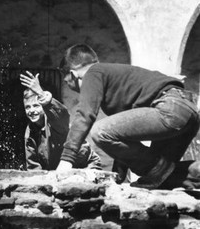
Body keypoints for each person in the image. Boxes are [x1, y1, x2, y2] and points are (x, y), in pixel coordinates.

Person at [55, 43, 200, 189]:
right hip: (188, 111)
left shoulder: (93, 72)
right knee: (161, 177)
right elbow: (122, 139)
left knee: (100, 131)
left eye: (68, 83)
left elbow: (85, 115)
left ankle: (159, 169)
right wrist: (117, 178)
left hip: (170, 108)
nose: (73, 89)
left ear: (73, 74)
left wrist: (66, 159)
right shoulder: (115, 82)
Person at [20, 71, 101, 171]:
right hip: (60, 170)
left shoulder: (55, 121)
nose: (31, 110)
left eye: (36, 106)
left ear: (43, 105)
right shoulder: (30, 131)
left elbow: (62, 115)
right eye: (27, 107)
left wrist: (41, 94)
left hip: (86, 166)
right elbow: (33, 165)